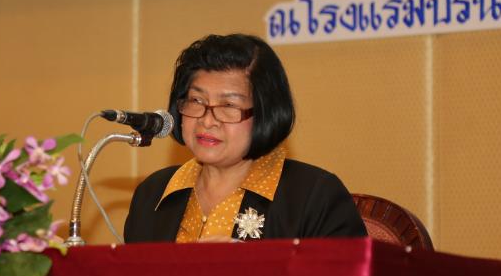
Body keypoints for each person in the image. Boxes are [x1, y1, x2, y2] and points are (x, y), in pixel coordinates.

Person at [124, 33, 367, 243]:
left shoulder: (314, 196)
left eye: (229, 105)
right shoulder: (153, 194)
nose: (207, 121)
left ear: (266, 113)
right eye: (196, 100)